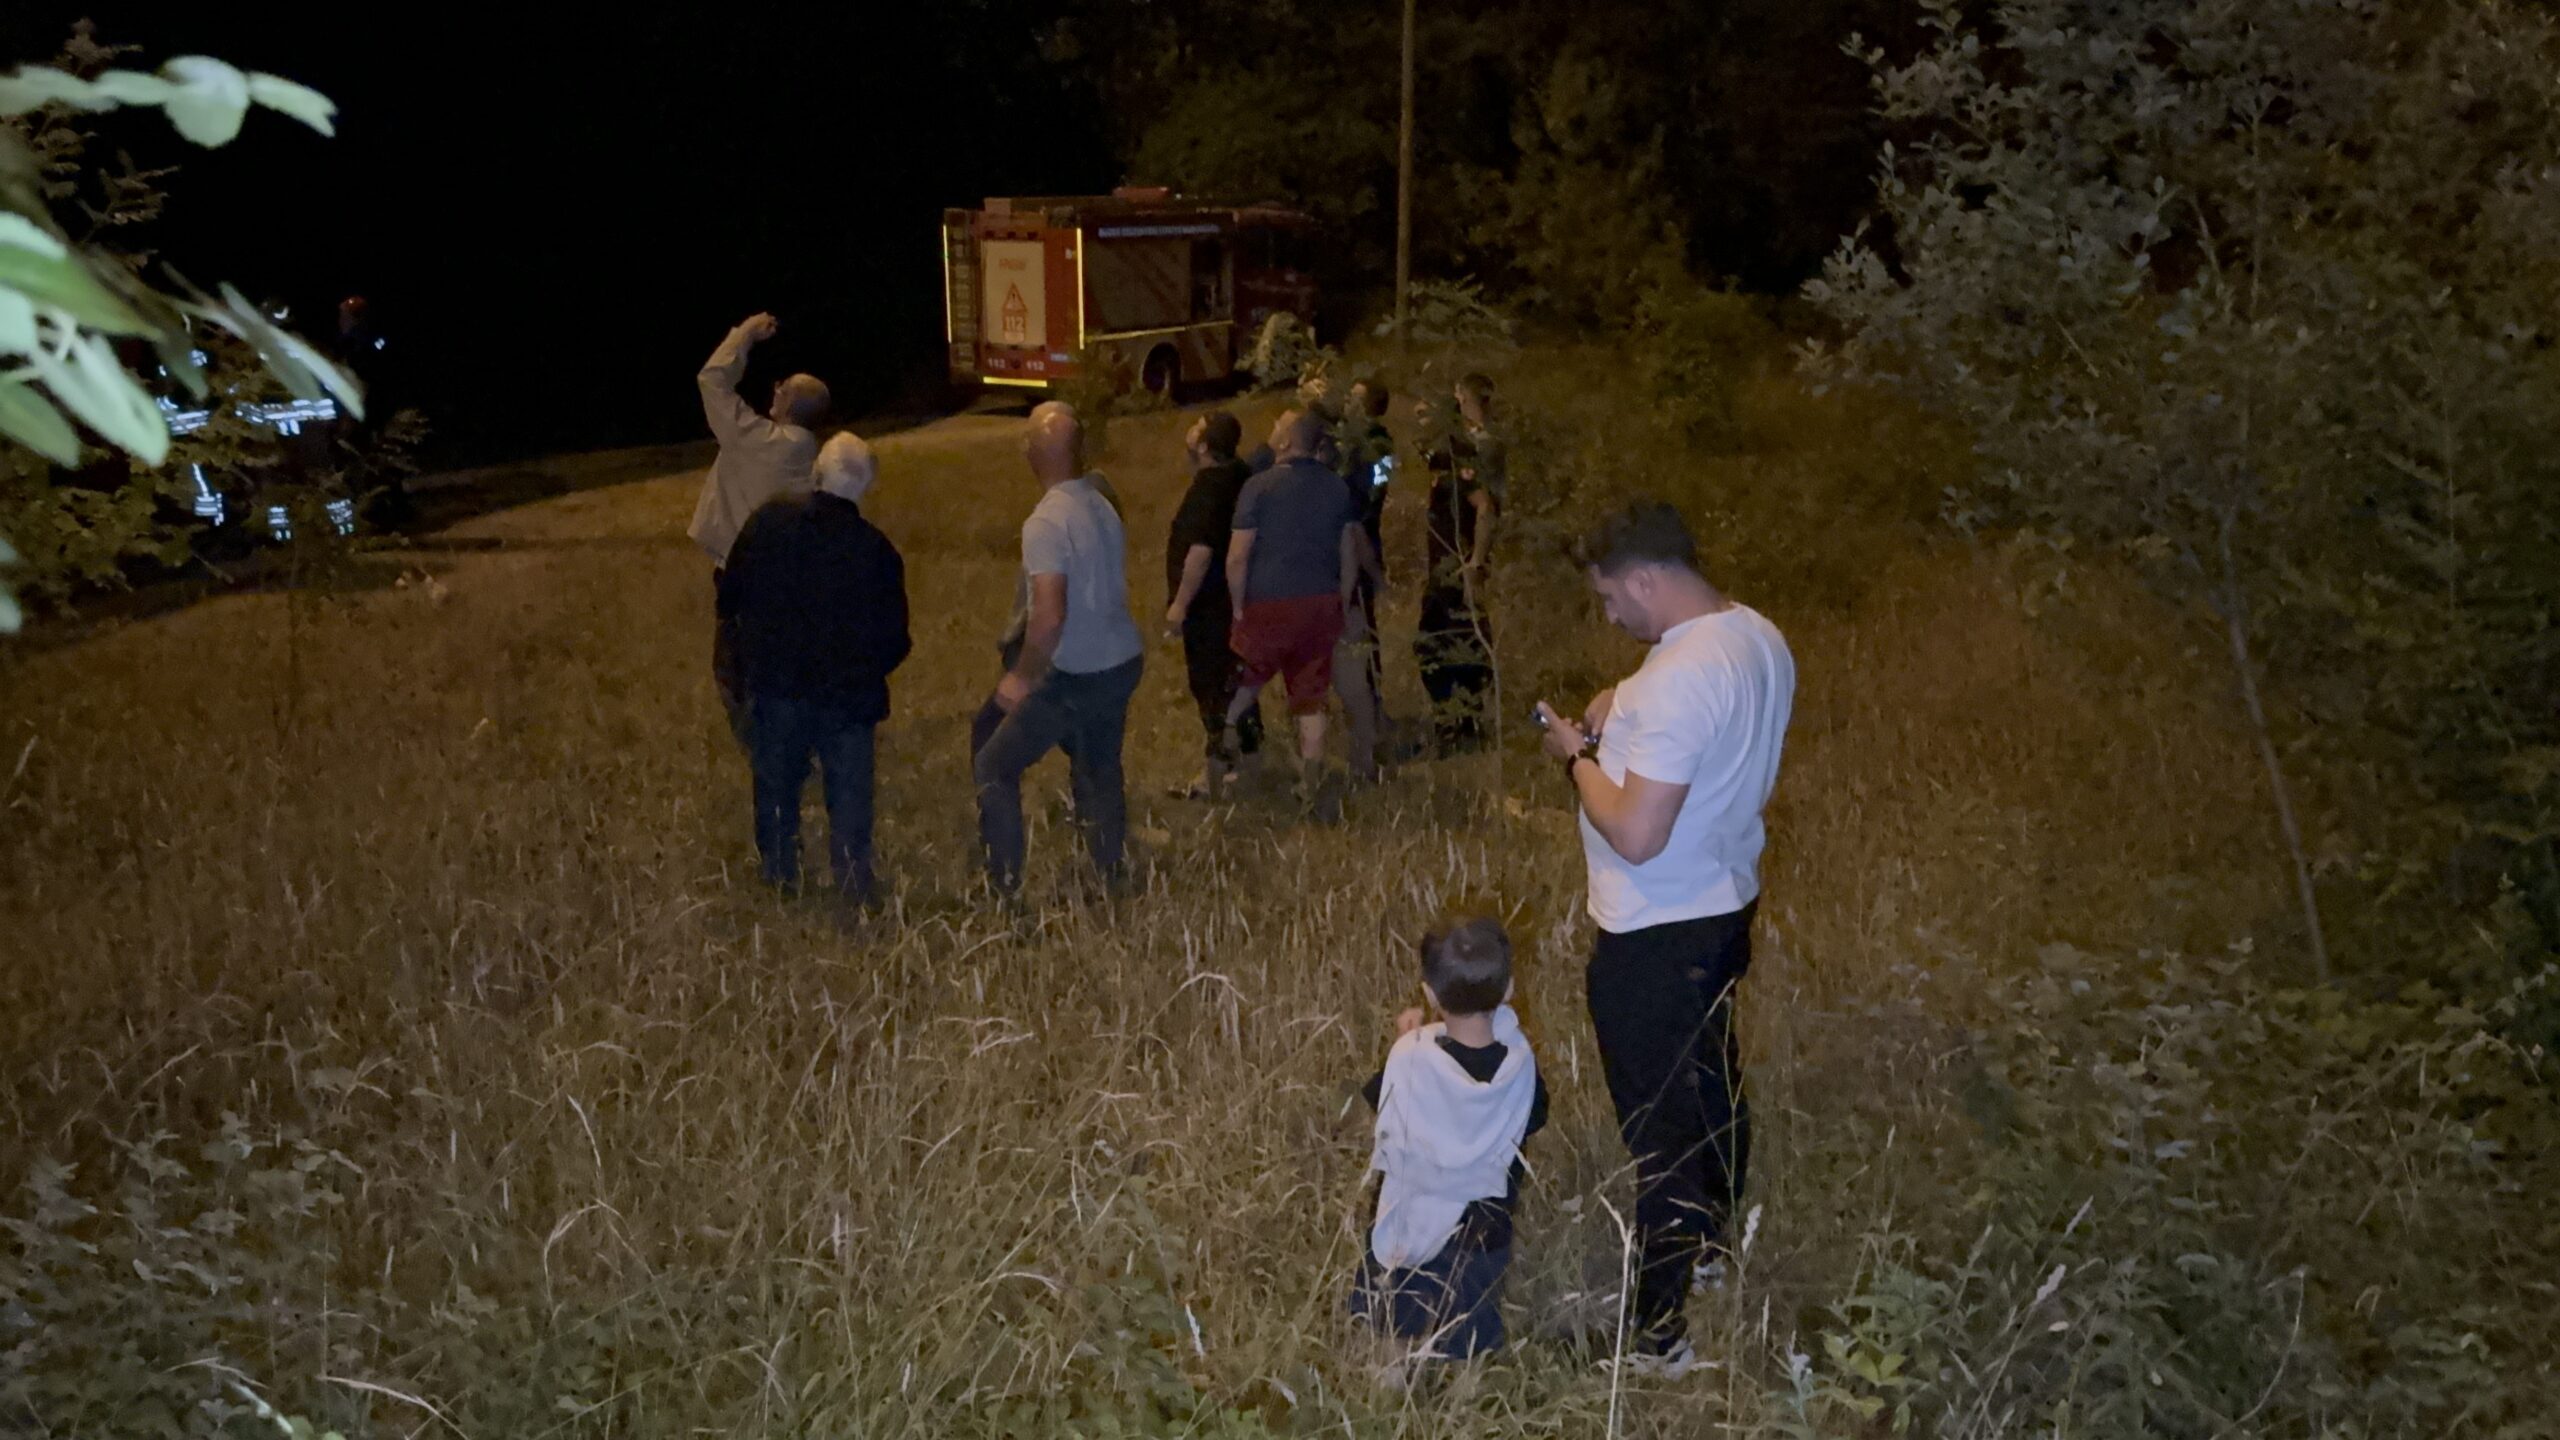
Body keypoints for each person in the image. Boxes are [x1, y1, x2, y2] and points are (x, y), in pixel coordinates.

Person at [1533, 501, 1795, 1379]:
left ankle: (1656, 1338)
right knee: (1714, 1077)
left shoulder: (1674, 682)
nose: (1611, 615)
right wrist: (1622, 711)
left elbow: (1637, 832)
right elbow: (1689, 731)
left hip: (1653, 928)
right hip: (1725, 905)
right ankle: (1713, 1248)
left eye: (1612, 598)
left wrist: (1576, 757)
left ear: (1646, 579)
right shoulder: (1754, 635)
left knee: (1662, 1132)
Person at [718, 433, 910, 903]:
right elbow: (895, 640)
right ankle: (852, 889)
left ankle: (781, 882)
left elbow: (730, 600)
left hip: (776, 691)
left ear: (816, 473)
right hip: (848, 701)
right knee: (849, 803)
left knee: (777, 792)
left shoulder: (767, 525)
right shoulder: (877, 551)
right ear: (866, 486)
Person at [1352, 913, 1548, 1363]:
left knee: (1393, 1319)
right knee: (1471, 1328)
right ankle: (1466, 1401)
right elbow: (1533, 1118)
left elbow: (1383, 1102)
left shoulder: (1411, 1057)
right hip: (1483, 1228)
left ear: (1429, 993)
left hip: (1409, 1220)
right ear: (1509, 988)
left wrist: (1407, 1039)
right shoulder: (1520, 1064)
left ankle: (1389, 1397)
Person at [972, 401, 1146, 895]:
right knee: (1099, 767)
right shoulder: (1101, 504)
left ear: (1035, 453)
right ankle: (1109, 874)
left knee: (993, 765)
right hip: (1121, 658)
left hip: (1079, 672)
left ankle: (1003, 888)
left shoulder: (1045, 522)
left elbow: (1048, 616)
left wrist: (1019, 679)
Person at [1223, 407, 1373, 806]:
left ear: (1287, 441)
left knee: (1241, 685)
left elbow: (1238, 556)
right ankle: (1312, 782)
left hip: (1269, 603)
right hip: (1320, 604)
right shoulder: (1336, 489)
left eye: (1276, 426)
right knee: (1310, 696)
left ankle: (1221, 760)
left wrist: (1238, 606)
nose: (1271, 430)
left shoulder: (1258, 487)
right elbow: (1347, 554)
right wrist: (1339, 601)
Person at [689, 312, 831, 732]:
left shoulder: (759, 443)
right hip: (789, 575)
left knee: (733, 667)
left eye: (782, 389)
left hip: (743, 574)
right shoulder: (808, 455)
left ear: (790, 405)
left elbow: (711, 380)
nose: (775, 389)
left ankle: (760, 746)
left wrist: (745, 335)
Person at [1163, 410, 1264, 797]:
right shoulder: (1239, 475)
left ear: (1204, 446)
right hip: (1236, 602)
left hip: (1209, 607)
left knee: (1212, 688)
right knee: (1238, 681)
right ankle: (1251, 760)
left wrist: (1179, 605)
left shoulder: (1209, 488)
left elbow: (1200, 551)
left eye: (1197, 427)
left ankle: (1217, 774)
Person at [1416, 373, 1503, 753]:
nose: (1418, 420)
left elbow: (1484, 507)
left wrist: (1474, 562)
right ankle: (1460, 722)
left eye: (1425, 415)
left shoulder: (1457, 454)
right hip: (1445, 563)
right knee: (1453, 640)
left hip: (1454, 565)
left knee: (1436, 643)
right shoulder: (1439, 455)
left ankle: (1457, 722)